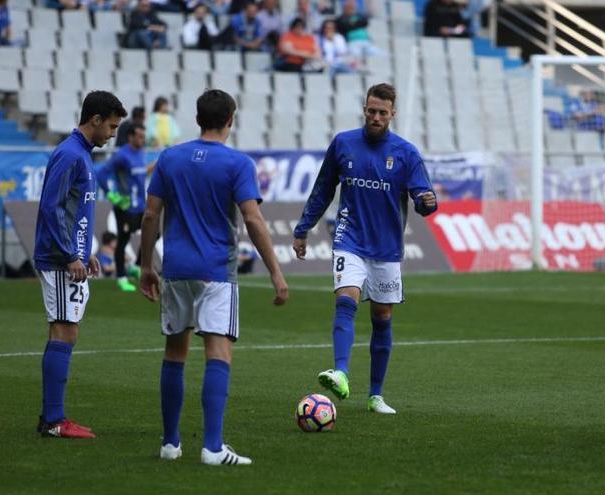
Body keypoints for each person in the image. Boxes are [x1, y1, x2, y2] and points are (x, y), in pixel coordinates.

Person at [139, 89, 289, 465]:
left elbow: (150, 215)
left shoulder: (170, 158)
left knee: (175, 353)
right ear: (231, 120)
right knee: (218, 352)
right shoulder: (237, 164)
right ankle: (212, 447)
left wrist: (146, 266)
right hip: (216, 272)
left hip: (174, 269)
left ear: (196, 118)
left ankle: (170, 444)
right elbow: (252, 219)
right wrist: (275, 271)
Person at [292, 83, 438, 414]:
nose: (375, 117)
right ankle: (341, 373)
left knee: (382, 318)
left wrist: (429, 203)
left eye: (381, 113)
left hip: (386, 247)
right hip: (350, 237)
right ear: (365, 108)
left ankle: (375, 395)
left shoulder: (406, 153)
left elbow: (423, 199)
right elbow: (323, 189)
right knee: (346, 299)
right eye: (370, 110)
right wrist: (303, 229)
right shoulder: (344, 143)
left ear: (392, 114)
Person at [33, 91, 127, 438]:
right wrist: (70, 254)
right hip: (59, 261)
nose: (113, 133)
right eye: (112, 126)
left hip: (70, 256)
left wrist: (84, 249)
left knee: (65, 329)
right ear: (96, 120)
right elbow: (51, 208)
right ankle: (54, 421)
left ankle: (51, 417)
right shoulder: (71, 155)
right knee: (64, 330)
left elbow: (73, 211)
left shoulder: (82, 155)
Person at [100, 123, 151, 292]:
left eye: (144, 137)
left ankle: (135, 266)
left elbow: (140, 174)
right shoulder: (122, 155)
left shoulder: (141, 153)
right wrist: (111, 194)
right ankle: (121, 277)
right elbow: (102, 173)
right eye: (140, 136)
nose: (143, 140)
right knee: (123, 240)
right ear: (131, 137)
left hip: (140, 206)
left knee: (154, 233)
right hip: (125, 206)